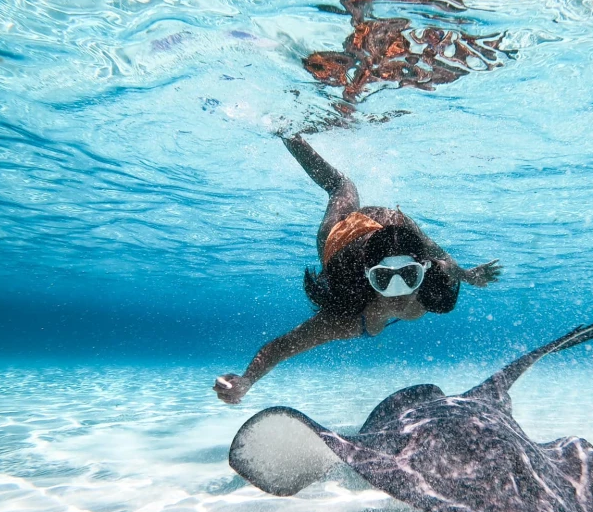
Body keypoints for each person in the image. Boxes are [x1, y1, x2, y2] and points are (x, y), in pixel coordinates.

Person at [213, 136, 501, 403]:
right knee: (342, 187)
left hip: (391, 231)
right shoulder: (347, 317)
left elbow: (446, 262)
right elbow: (282, 346)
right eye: (384, 279)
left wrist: (466, 274)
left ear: (422, 271)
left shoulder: (431, 278)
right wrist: (247, 380)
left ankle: (399, 245)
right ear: (368, 277)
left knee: (413, 236)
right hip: (342, 238)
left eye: (410, 275)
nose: (398, 292)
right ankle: (289, 132)